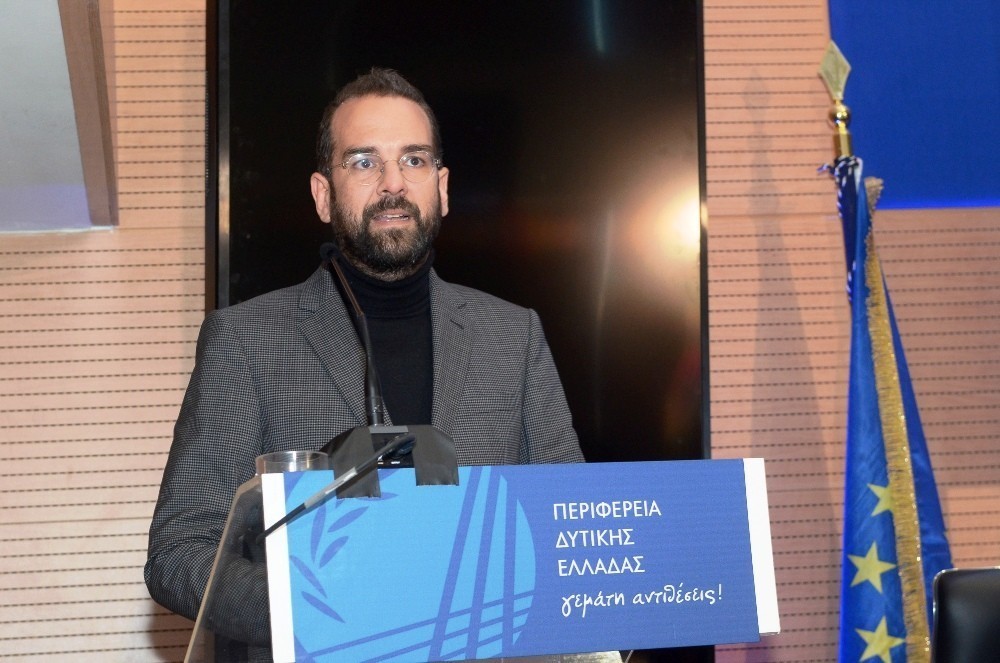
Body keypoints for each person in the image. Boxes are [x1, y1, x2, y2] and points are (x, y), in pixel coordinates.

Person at [144, 68, 583, 656]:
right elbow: (178, 551)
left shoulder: (513, 335)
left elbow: (568, 525)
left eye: (414, 160)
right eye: (363, 161)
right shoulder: (245, 340)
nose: (393, 183)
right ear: (323, 194)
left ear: (442, 187)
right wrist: (322, 608)